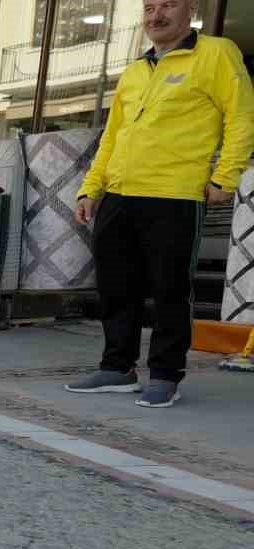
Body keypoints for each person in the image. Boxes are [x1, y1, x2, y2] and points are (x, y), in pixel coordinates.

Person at [66, 0, 254, 408]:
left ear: (190, 10)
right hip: (118, 193)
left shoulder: (217, 53)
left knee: (169, 290)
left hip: (174, 194)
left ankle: (166, 374)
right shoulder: (135, 70)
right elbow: (112, 136)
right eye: (149, 7)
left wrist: (226, 176)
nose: (156, 15)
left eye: (167, 5)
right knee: (116, 287)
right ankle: (118, 368)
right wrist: (90, 188)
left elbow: (241, 116)